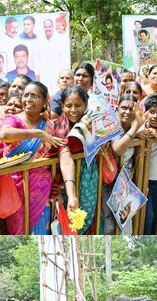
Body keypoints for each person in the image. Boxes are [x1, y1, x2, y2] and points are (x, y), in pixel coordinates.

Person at [0, 82, 65, 234]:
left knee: (41, 232)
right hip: (15, 189)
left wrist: (58, 189)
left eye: (34, 96)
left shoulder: (51, 126)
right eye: (25, 95)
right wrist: (37, 134)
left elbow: (58, 157)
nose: (28, 99)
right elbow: (3, 135)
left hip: (42, 190)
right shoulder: (13, 120)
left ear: (45, 101)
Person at [49, 86, 99, 234]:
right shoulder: (56, 127)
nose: (73, 110)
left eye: (78, 106)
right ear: (62, 105)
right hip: (65, 179)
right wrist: (69, 194)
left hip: (89, 174)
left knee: (87, 215)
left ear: (86, 104)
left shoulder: (94, 122)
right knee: (69, 218)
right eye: (68, 106)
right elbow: (66, 159)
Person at [100, 95, 146, 234]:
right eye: (124, 108)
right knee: (109, 225)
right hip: (108, 184)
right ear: (117, 109)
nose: (127, 111)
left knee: (125, 226)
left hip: (124, 185)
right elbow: (118, 149)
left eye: (131, 109)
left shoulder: (134, 131)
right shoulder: (111, 127)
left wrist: (136, 132)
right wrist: (137, 126)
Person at [136, 93, 157, 234]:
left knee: (155, 215)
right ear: (145, 112)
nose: (155, 116)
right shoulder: (140, 126)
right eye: (152, 112)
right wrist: (136, 135)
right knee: (147, 217)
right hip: (143, 179)